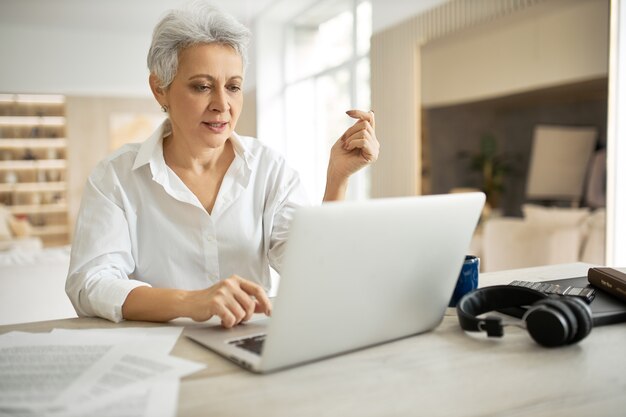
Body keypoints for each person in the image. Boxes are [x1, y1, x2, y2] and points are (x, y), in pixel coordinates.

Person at [66, 1, 379, 328]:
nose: (222, 105)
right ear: (160, 89)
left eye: (233, 87)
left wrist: (337, 179)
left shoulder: (270, 169)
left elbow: (316, 270)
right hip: (158, 353)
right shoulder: (115, 177)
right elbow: (90, 284)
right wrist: (191, 301)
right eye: (202, 86)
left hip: (249, 346)